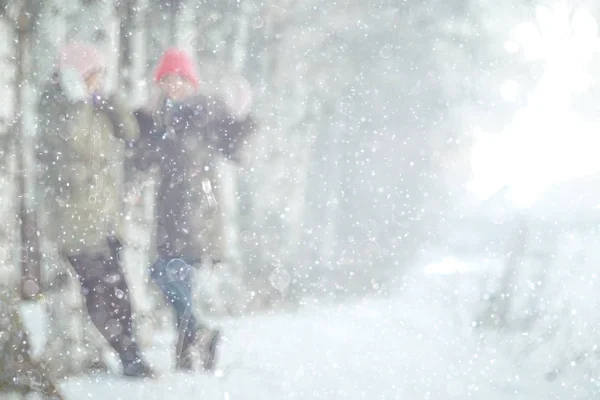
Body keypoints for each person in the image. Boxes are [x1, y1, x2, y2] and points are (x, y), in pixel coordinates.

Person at [132, 48, 258, 371]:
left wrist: (242, 117)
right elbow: (142, 161)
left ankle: (193, 340)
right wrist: (143, 122)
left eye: (179, 80)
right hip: (168, 210)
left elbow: (233, 149)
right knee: (167, 276)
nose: (173, 86)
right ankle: (196, 340)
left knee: (173, 274)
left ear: (191, 82)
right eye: (167, 80)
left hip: (199, 211)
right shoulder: (158, 117)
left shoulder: (205, 113)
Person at [36, 42, 155, 378]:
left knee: (117, 287)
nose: (99, 80)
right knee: (99, 290)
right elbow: (73, 143)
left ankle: (129, 351)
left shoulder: (97, 103)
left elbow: (129, 132)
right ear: (77, 75)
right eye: (94, 74)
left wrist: (110, 100)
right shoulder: (55, 103)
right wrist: (79, 105)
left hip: (103, 216)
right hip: (73, 218)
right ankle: (126, 353)